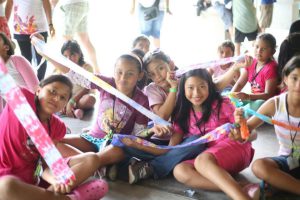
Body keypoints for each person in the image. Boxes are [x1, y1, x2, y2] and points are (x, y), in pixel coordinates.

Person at [0, 74, 108, 200]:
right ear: (38, 90)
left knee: (92, 159)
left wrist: (56, 179)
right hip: (5, 180)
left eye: (63, 98)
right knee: (6, 186)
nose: (56, 98)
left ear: (65, 105)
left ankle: (47, 196)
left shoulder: (58, 127)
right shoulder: (21, 99)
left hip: (33, 179)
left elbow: (45, 164)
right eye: (52, 91)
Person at [231, 55, 300, 199]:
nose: (299, 85)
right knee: (259, 167)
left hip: (290, 166)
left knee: (265, 189)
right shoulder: (274, 104)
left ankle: (280, 187)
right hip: (286, 160)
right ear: (285, 79)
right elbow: (246, 130)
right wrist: (240, 123)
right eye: (294, 78)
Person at [5, 0, 55, 81]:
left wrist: (50, 24)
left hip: (39, 28)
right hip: (20, 29)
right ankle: (30, 84)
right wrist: (5, 23)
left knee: (41, 57)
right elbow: (9, 3)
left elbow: (46, 3)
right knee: (25, 58)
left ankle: (41, 84)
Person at [231, 33, 278, 115]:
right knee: (229, 100)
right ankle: (242, 111)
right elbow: (239, 83)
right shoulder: (251, 62)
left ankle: (244, 113)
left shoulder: (271, 68)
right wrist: (231, 96)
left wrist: (248, 97)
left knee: (258, 104)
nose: (259, 51)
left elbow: (268, 95)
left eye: (263, 49)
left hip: (266, 102)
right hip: (253, 98)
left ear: (272, 52)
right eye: (257, 47)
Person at [51, 0, 99, 74]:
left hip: (70, 5)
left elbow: (53, 1)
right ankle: (97, 72)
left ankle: (67, 73)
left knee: (66, 42)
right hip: (83, 4)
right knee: (85, 40)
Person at [0, 32, 39, 113]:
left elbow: (35, 89)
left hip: (29, 108)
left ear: (6, 47)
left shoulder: (16, 60)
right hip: (9, 113)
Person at [57, 40, 96, 120]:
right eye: (65, 56)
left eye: (72, 54)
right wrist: (65, 101)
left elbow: (87, 88)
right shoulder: (63, 68)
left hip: (82, 97)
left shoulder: (87, 67)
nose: (69, 58)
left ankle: (71, 109)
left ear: (79, 54)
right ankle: (76, 111)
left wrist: (71, 102)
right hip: (68, 97)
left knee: (90, 99)